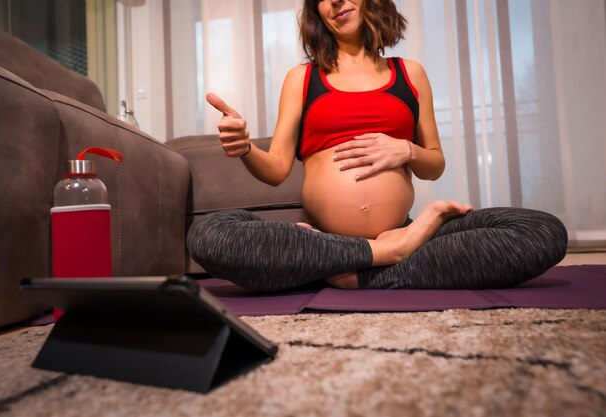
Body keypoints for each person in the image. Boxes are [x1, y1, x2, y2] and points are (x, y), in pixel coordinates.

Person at [188, 0, 567, 292]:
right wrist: (246, 149)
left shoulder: (409, 73)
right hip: (327, 239)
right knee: (211, 235)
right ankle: (381, 258)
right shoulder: (302, 77)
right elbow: (276, 171)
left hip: (405, 232)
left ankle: (350, 271)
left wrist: (408, 150)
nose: (335, 0)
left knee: (541, 231)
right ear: (317, 12)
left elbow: (433, 164)